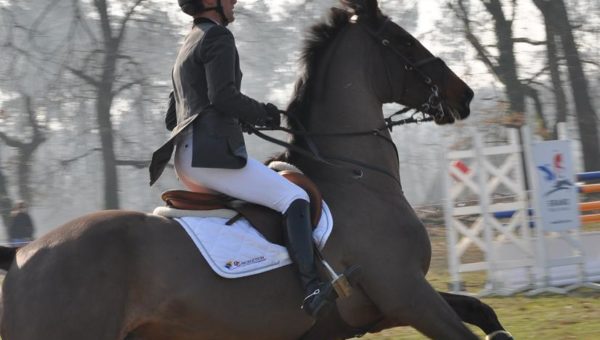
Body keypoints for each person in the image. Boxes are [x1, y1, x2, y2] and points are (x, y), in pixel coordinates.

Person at [148, 0, 336, 318]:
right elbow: (222, 96)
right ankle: (312, 287)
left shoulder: (188, 43)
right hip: (211, 159)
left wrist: (238, 119)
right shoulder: (218, 37)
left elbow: (175, 116)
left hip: (186, 159)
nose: (235, 1)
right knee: (294, 197)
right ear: (211, 2)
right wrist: (263, 113)